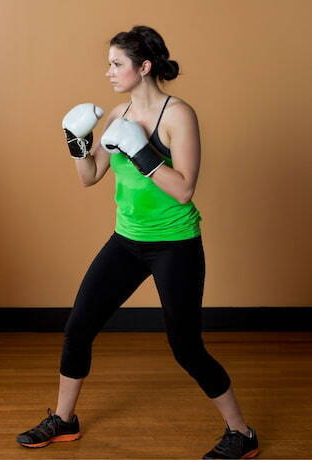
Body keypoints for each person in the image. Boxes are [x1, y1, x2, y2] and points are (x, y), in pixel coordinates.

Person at [16, 26, 259, 459]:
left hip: (175, 244)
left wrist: (142, 152)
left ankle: (241, 433)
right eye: (109, 63)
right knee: (78, 327)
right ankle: (64, 419)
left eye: (116, 64)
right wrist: (75, 142)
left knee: (185, 346)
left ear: (143, 67)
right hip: (127, 240)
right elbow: (90, 177)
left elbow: (184, 189)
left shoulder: (179, 115)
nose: (108, 71)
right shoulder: (116, 116)